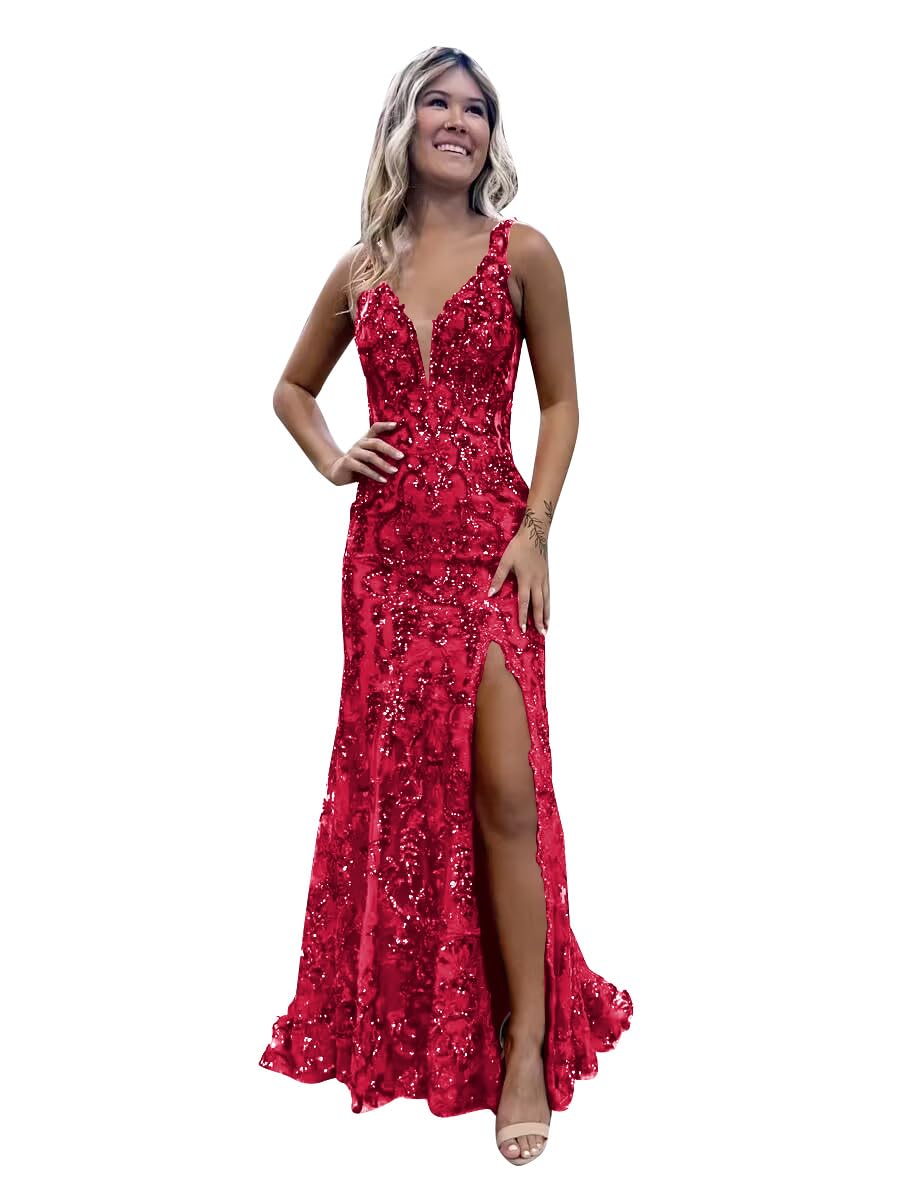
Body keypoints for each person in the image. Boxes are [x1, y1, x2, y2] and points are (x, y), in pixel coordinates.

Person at [258, 44, 633, 1165]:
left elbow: (562, 405)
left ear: (490, 136)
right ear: (404, 124)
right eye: (439, 102)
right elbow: (291, 388)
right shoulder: (362, 267)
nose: (459, 120)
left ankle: (525, 1044)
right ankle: (422, 1019)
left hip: (490, 550)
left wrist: (538, 530)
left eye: (477, 108)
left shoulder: (526, 255)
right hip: (385, 562)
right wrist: (333, 456)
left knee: (506, 793)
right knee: (406, 795)